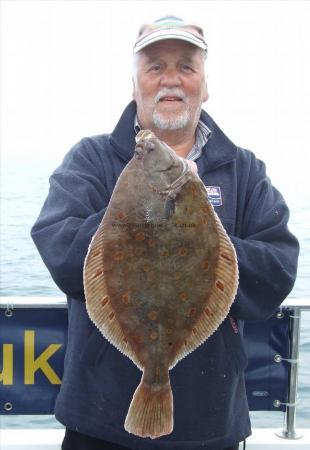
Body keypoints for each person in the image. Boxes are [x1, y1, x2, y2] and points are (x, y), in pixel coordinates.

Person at [31, 15, 299, 450]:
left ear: (205, 85)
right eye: (155, 67)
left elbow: (277, 272)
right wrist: (135, 213)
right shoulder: (92, 159)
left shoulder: (245, 170)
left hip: (211, 425)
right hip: (99, 422)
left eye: (186, 67)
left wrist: (201, 241)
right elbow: (58, 247)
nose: (170, 79)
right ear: (135, 84)